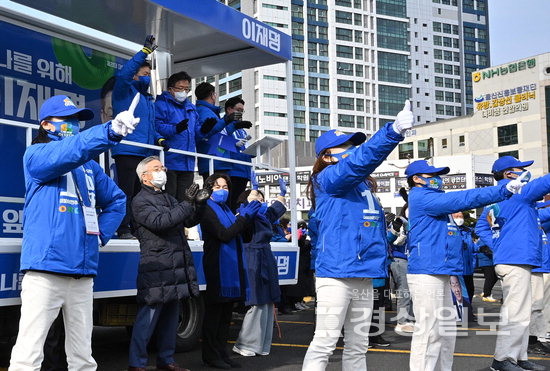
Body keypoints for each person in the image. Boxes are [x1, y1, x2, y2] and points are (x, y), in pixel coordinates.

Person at [9, 94, 134, 370]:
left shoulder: (88, 166)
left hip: (82, 273)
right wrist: (109, 130)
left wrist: (100, 234)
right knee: (27, 356)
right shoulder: (37, 155)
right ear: (47, 125)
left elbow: (117, 200)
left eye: (77, 120)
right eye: (67, 120)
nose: (75, 125)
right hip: (45, 272)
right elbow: (72, 151)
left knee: (83, 357)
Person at [301, 100, 413, 370]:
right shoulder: (327, 179)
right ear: (326, 156)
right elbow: (358, 163)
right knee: (325, 342)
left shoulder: (363, 188)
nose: (352, 150)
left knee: (358, 345)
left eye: (354, 145)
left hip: (363, 274)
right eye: (346, 146)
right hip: (336, 275)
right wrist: (392, 132)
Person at [405, 159, 527, 371]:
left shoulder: (437, 201)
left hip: (445, 271)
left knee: (446, 330)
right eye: (432, 175)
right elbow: (465, 197)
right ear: (416, 179)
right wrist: (502, 191)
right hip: (427, 272)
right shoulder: (421, 197)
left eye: (438, 175)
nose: (437, 179)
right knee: (429, 331)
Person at [127, 156, 209, 371]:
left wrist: (199, 204)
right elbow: (161, 222)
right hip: (156, 267)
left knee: (171, 320)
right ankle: (137, 364)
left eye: (162, 167)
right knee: (148, 319)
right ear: (144, 177)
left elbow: (188, 219)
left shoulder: (168, 198)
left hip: (175, 267)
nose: (162, 171)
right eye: (156, 168)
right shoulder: (140, 201)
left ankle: (167, 360)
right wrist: (187, 202)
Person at [475, 156, 550, 371]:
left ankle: (518, 356)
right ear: (508, 174)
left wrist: (499, 246)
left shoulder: (496, 199)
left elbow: (481, 228)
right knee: (516, 312)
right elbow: (545, 182)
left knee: (521, 311)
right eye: (521, 169)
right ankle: (502, 360)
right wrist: (503, 247)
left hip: (514, 258)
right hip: (515, 259)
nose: (526, 172)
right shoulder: (519, 192)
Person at [199, 174, 261, 369]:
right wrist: (242, 218)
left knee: (226, 315)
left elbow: (245, 236)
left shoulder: (227, 209)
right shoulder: (207, 209)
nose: (222, 190)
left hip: (232, 267)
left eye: (225, 186)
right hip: (217, 266)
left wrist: (249, 218)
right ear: (209, 189)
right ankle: (210, 355)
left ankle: (222, 352)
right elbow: (224, 234)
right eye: (217, 186)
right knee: (214, 314)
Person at [111, 34, 166, 239]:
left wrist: (158, 140)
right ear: (135, 74)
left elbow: (148, 128)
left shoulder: (146, 99)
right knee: (125, 192)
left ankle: (135, 228)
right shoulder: (124, 91)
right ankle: (122, 228)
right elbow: (124, 74)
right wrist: (144, 52)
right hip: (126, 150)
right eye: (144, 72)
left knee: (139, 195)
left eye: (149, 73)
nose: (147, 76)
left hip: (144, 154)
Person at [232, 178, 287, 357]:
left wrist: (281, 195)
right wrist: (253, 191)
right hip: (252, 258)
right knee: (255, 303)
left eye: (262, 199)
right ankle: (245, 344)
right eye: (257, 198)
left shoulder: (263, 216)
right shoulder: (243, 214)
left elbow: (274, 210)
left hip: (265, 257)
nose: (261, 202)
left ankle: (262, 344)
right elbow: (248, 212)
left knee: (267, 301)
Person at [154, 71, 199, 201]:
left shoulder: (191, 108)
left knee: (186, 201)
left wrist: (209, 128)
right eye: (180, 88)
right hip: (169, 160)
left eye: (187, 89)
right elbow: (156, 126)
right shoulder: (161, 104)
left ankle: (183, 223)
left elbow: (197, 132)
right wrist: (175, 129)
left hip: (188, 162)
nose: (184, 92)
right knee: (169, 199)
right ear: (170, 89)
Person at [194, 83, 240, 183]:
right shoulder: (204, 111)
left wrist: (235, 125)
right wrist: (226, 120)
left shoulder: (208, 111)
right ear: (212, 95)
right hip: (214, 159)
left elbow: (220, 132)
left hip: (218, 159)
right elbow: (210, 132)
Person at [387, 205, 415, 333]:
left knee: (410, 292)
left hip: (410, 260)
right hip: (400, 259)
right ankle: (402, 321)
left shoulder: (415, 222)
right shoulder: (399, 222)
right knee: (404, 291)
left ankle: (408, 319)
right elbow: (392, 240)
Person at [225, 97, 253, 211]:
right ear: (229, 110)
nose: (240, 113)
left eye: (242, 111)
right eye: (238, 110)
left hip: (244, 171)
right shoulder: (225, 126)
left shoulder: (242, 129)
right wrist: (234, 145)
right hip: (232, 171)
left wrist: (252, 151)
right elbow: (222, 144)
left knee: (238, 204)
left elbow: (243, 148)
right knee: (230, 204)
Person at [472, 233, 499, 302]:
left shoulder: (485, 237)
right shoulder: (485, 237)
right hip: (486, 260)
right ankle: (486, 295)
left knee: (494, 277)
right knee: (490, 278)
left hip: (488, 260)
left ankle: (485, 292)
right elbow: (483, 248)